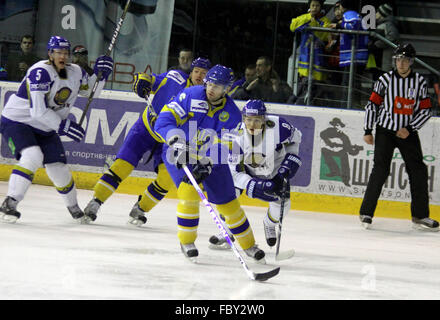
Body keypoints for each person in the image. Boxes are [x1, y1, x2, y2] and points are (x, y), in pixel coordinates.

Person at [154, 65, 266, 262]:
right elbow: (163, 121)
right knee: (189, 192)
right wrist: (176, 140)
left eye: (218, 86)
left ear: (228, 89)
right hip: (178, 152)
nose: (211, 89)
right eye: (210, 83)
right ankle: (187, 241)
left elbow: (227, 145)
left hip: (211, 159)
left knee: (229, 204)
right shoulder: (190, 95)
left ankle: (249, 245)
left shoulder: (231, 114)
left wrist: (208, 162)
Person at [83, 57, 211, 225]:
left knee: (167, 179)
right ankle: (95, 202)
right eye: (197, 72)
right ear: (191, 72)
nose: (199, 76)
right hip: (145, 129)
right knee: (122, 166)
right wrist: (142, 81)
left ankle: (140, 208)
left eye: (204, 73)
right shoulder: (174, 77)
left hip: (169, 140)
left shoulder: (206, 101)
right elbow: (149, 79)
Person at [0, 36, 113, 223]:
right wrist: (64, 126)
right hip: (17, 121)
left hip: (45, 126)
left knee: (59, 168)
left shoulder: (76, 71)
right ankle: (10, 202)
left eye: (65, 53)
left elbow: (90, 91)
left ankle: (74, 208)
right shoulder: (40, 72)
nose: (63, 56)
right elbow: (37, 111)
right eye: (58, 52)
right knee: (33, 156)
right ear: (50, 54)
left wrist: (101, 75)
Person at [359, 43, 439, 231]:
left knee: (418, 171)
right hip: (385, 130)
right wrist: (368, 130)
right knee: (380, 170)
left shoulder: (419, 81)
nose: (401, 63)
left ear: (411, 62)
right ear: (395, 61)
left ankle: (420, 216)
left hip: (407, 133)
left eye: (405, 60)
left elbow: (426, 110)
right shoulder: (384, 80)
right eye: (398, 60)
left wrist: (410, 128)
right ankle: (366, 212)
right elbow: (372, 105)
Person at [209, 100, 302, 249]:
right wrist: (252, 185)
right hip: (246, 169)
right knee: (227, 196)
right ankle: (228, 229)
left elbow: (295, 139)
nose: (252, 124)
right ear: (244, 118)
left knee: (283, 204)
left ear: (264, 119)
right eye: (249, 119)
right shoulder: (235, 137)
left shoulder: (279, 126)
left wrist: (291, 158)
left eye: (257, 120)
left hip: (275, 169)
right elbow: (234, 172)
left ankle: (269, 223)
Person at [289, 0, 331, 105]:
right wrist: (309, 17)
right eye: (313, 5)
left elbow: (324, 35)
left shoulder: (326, 21)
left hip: (318, 60)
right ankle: (294, 105)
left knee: (314, 90)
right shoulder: (304, 17)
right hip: (305, 59)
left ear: (321, 7)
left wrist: (312, 24)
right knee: (301, 87)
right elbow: (293, 26)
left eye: (317, 5)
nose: (315, 8)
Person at [331, 0, 369, 108]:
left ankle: (347, 107)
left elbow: (354, 25)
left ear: (343, 6)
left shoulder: (349, 14)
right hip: (356, 56)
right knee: (353, 83)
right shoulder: (355, 14)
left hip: (353, 56)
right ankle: (353, 105)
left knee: (348, 84)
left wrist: (339, 25)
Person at [368, 3, 399, 80]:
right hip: (378, 60)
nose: (375, 14)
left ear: (382, 14)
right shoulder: (381, 24)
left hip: (384, 61)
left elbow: (392, 38)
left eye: (377, 12)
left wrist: (376, 45)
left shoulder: (389, 24)